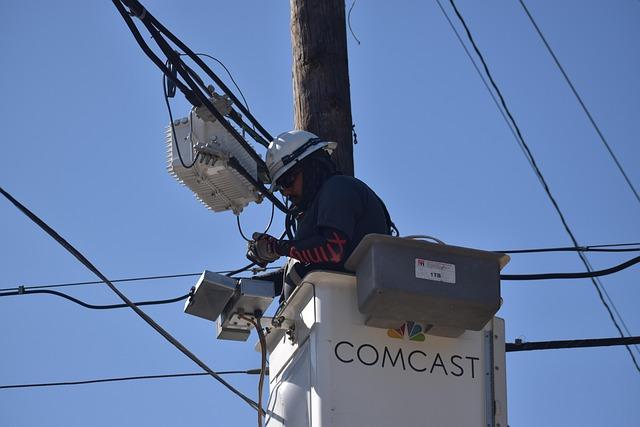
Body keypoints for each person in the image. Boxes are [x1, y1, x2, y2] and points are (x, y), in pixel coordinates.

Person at [246, 129, 396, 301]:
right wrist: (240, 287)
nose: (286, 192)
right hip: (328, 313)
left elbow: (332, 251)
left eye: (287, 181)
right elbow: (306, 269)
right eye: (281, 186)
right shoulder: (316, 209)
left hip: (348, 307)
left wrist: (279, 248)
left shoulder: (338, 188)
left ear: (311, 167)